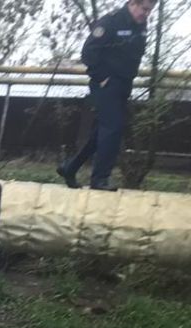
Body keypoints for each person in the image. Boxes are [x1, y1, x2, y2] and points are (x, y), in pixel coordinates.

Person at [58, 0, 154, 191]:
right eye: (144, 9)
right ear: (133, 3)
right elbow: (88, 52)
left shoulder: (140, 25)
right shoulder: (111, 22)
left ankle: (70, 168)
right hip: (106, 84)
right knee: (113, 128)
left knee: (102, 132)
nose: (146, 14)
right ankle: (100, 179)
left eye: (150, 11)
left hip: (124, 84)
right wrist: (102, 78)